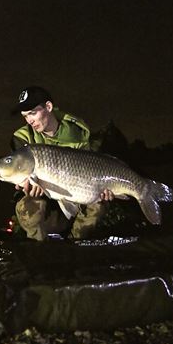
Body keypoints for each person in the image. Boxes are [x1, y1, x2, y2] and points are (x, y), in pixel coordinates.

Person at [11, 86, 114, 241]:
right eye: (25, 116)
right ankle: (40, 246)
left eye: (33, 113)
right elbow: (20, 171)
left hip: (78, 194)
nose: (29, 120)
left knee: (99, 202)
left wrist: (104, 190)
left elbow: (94, 169)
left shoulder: (78, 134)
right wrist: (23, 184)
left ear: (48, 107)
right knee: (26, 204)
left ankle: (76, 242)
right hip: (47, 203)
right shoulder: (23, 138)